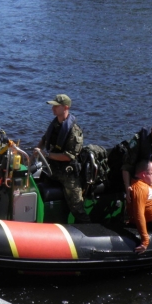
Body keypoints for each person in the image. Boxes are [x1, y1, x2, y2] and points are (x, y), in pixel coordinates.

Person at [36, 94, 90, 223]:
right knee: (38, 187)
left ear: (66, 107)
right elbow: (45, 139)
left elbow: (68, 156)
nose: (53, 108)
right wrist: (37, 150)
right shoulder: (55, 124)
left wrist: (46, 155)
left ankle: (86, 226)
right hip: (52, 168)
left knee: (77, 207)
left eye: (56, 106)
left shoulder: (74, 131)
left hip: (68, 173)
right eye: (53, 106)